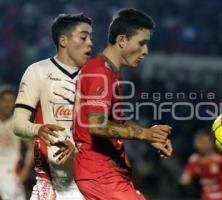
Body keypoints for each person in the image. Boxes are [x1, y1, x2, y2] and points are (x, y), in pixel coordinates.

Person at [73, 8, 172, 200]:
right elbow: (96, 125)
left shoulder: (110, 73)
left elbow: (116, 120)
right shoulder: (99, 72)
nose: (146, 51)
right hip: (100, 173)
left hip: (108, 173)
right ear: (122, 41)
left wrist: (151, 136)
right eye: (141, 43)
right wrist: (144, 134)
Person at [12, 13, 93, 199]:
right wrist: (38, 129)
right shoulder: (37, 72)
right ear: (63, 41)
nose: (90, 42)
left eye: (91, 38)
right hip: (49, 184)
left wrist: (79, 147)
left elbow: (106, 131)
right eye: (83, 37)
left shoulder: (98, 78)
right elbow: (18, 124)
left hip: (89, 183)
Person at [179, 131, 222, 200]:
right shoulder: (194, 160)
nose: (202, 145)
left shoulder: (220, 159)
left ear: (211, 144)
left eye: (205, 142)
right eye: (200, 141)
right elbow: (185, 179)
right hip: (207, 197)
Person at [0, 85, 34, 200]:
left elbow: (31, 147)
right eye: (4, 100)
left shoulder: (18, 122)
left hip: (10, 173)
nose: (7, 104)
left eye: (10, 101)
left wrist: (25, 170)